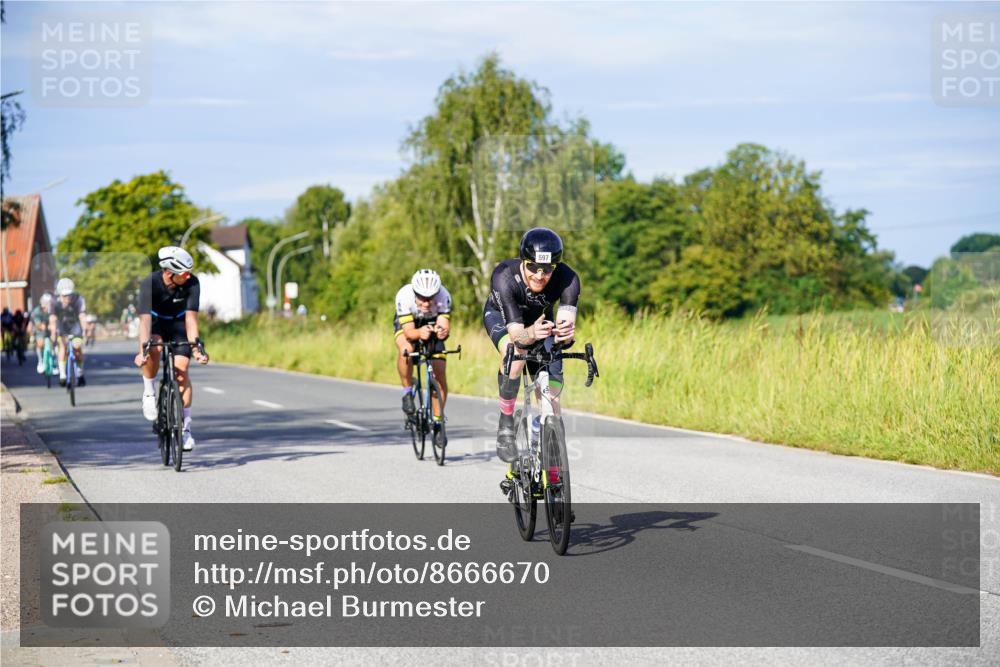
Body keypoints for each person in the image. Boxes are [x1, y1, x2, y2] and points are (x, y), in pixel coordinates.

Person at [482, 228, 579, 462]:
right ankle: (506, 424)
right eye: (533, 267)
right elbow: (517, 336)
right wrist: (532, 333)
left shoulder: (569, 279)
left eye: (547, 269)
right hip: (504, 320)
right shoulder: (504, 276)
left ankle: (543, 430)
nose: (539, 275)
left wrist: (564, 336)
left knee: (553, 402)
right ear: (522, 262)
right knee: (515, 353)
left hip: (540, 323)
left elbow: (565, 331)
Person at [134, 246, 209, 451]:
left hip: (179, 326)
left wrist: (196, 350)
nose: (188, 276)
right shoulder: (150, 284)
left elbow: (191, 319)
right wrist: (143, 351)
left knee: (182, 372)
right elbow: (145, 321)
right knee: (155, 347)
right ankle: (149, 392)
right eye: (184, 273)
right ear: (169, 272)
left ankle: (186, 430)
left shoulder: (192, 283)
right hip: (156, 323)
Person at [393, 269, 452, 429]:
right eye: (422, 298)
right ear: (414, 292)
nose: (426, 303)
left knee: (439, 372)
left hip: (432, 322)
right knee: (406, 348)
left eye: (430, 298)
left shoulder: (444, 295)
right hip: (410, 323)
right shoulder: (404, 296)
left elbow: (444, 327)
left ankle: (438, 420)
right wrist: (419, 333)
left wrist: (442, 332)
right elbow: (409, 332)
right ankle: (407, 391)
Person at [49, 278, 89, 387]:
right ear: (59, 295)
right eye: (64, 296)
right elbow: (52, 318)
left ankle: (80, 372)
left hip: (75, 325)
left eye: (69, 295)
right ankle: (62, 375)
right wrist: (53, 332)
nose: (67, 298)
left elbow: (82, 316)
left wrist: (85, 330)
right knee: (62, 346)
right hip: (61, 326)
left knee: (77, 347)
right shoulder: (53, 301)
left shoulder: (79, 299)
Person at [27, 293, 52, 373]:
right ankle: (40, 361)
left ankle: (55, 362)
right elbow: (38, 324)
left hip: (52, 329)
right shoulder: (37, 311)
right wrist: (44, 327)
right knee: (40, 343)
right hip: (40, 329)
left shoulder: (54, 310)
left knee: (57, 342)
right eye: (47, 304)